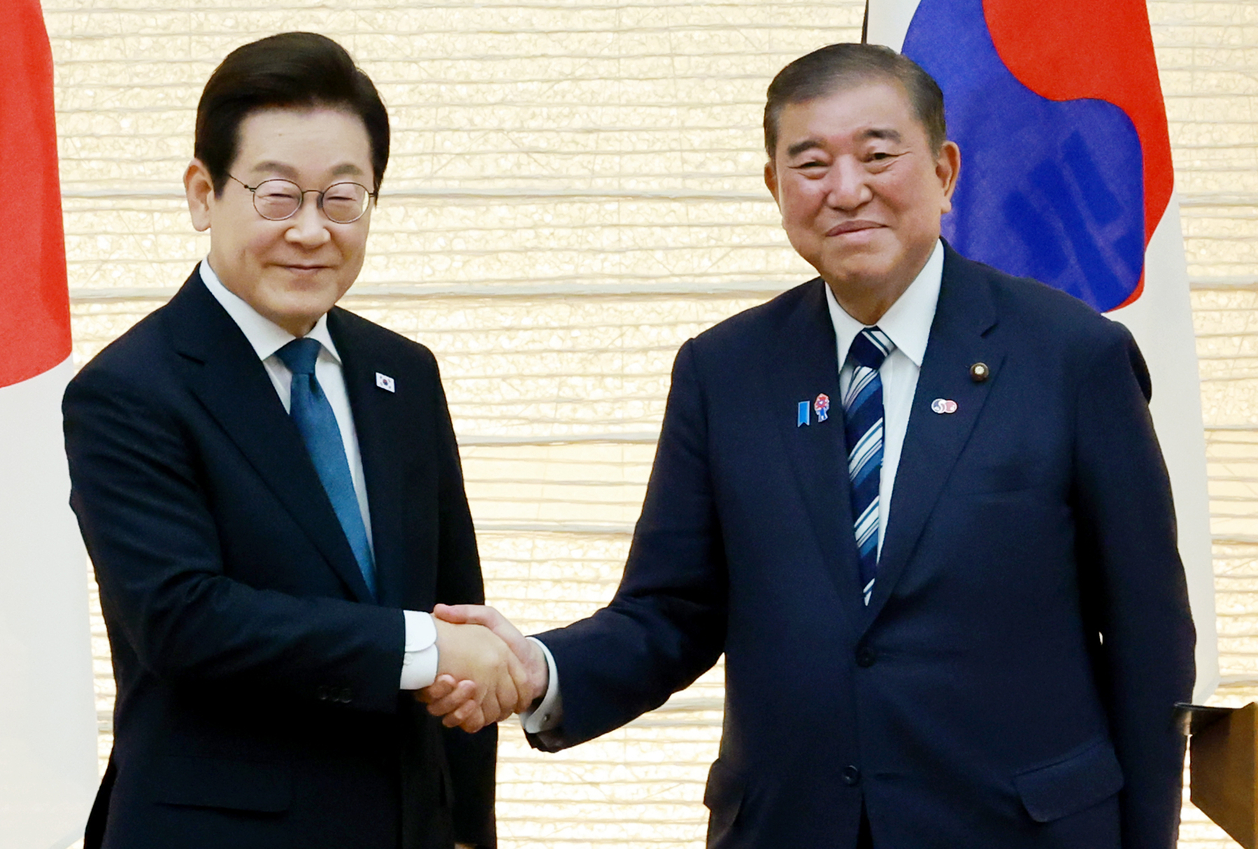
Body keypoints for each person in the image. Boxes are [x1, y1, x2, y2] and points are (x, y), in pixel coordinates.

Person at [422, 44, 1196, 848]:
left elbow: (1148, 635)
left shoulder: (1069, 356)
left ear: (944, 170)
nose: (846, 189)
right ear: (775, 187)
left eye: (876, 154)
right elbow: (672, 611)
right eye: (811, 163)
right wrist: (541, 669)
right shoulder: (725, 370)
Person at [64, 32, 531, 849]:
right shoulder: (129, 390)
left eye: (342, 198)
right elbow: (185, 619)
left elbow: (455, 600)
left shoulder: (403, 374)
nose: (311, 231)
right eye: (278, 195)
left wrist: (466, 825)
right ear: (203, 193)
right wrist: (420, 646)